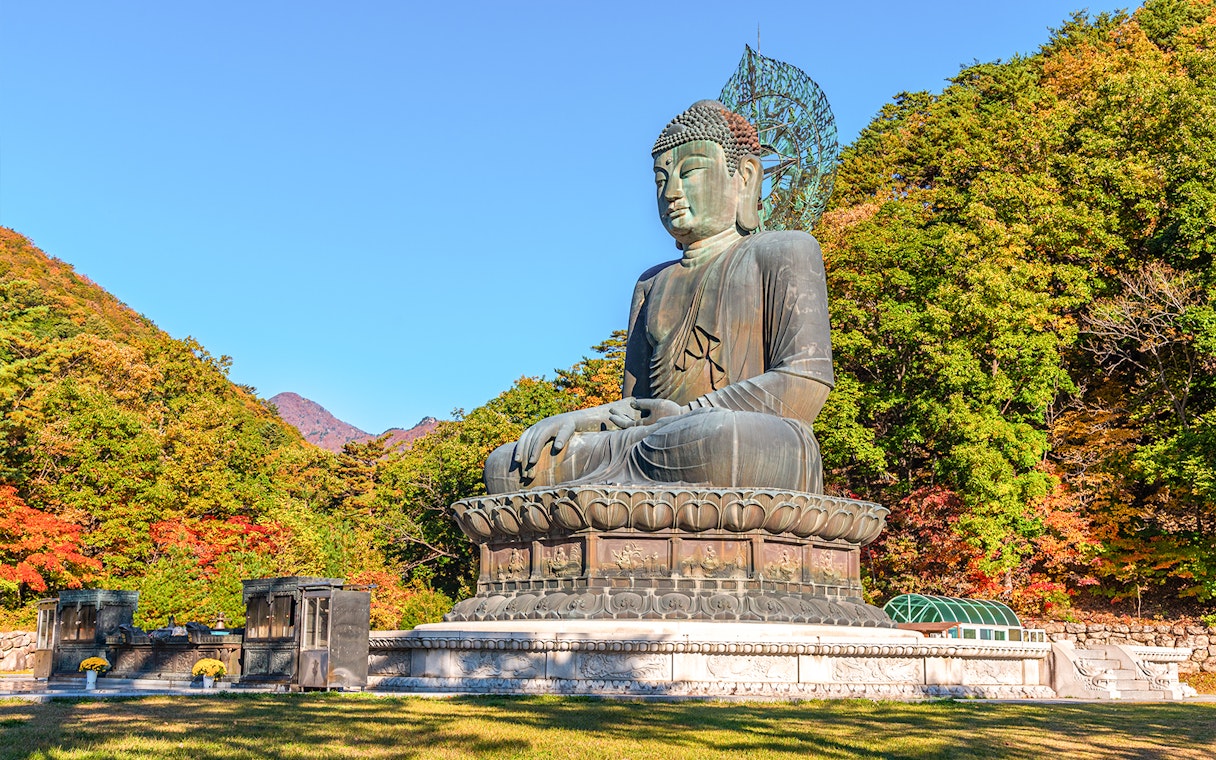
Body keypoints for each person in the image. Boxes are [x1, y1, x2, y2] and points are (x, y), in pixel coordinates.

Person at [485, 100, 833, 494]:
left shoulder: (784, 251)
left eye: (690, 172)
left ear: (746, 177)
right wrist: (582, 421)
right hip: (655, 443)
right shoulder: (651, 283)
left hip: (745, 439)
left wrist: (684, 415)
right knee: (509, 465)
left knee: (715, 438)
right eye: (660, 179)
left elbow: (805, 382)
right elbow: (633, 410)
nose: (672, 192)